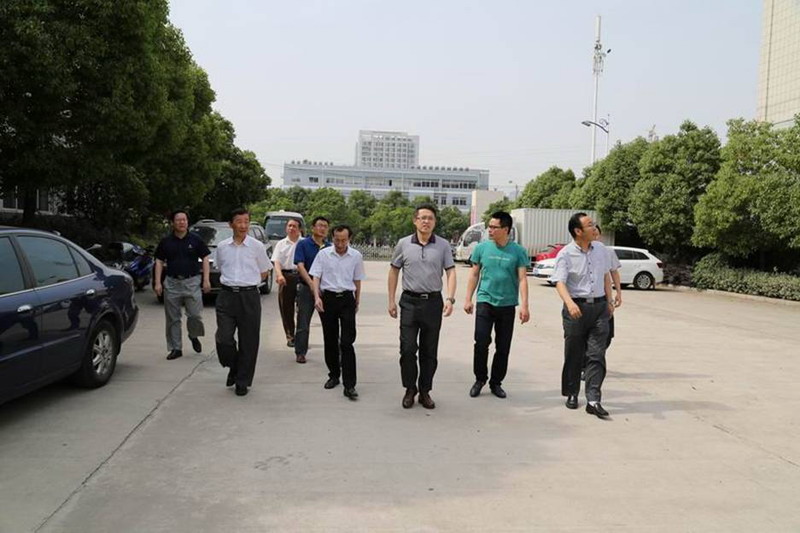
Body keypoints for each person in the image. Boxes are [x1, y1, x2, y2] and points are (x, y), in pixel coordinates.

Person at [388, 203, 457, 410]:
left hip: (433, 303)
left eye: (430, 218)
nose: (426, 221)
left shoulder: (443, 245)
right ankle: (410, 388)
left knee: (429, 351)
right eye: (422, 218)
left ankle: (425, 390)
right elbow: (394, 271)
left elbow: (451, 271)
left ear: (435, 222)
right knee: (408, 349)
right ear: (415, 220)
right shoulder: (403, 244)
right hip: (409, 302)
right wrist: (391, 300)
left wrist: (450, 298)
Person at [551, 212, 614, 418]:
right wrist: (569, 303)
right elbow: (559, 282)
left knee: (597, 354)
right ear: (578, 231)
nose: (594, 228)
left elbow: (606, 275)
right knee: (574, 353)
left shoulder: (601, 250)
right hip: (576, 309)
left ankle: (593, 399)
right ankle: (572, 392)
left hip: (599, 308)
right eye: (589, 225)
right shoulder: (566, 254)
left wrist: (610, 300)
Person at [464, 211, 530, 399]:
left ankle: (496, 382)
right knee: (481, 342)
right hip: (485, 301)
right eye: (489, 227)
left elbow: (523, 279)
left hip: (507, 304)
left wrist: (525, 305)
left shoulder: (518, 251)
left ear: (506, 229)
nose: (490, 230)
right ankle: (480, 379)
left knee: (503, 346)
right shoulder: (481, 248)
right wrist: (468, 298)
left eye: (494, 227)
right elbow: (474, 274)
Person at [213, 208, 272, 396]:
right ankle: (234, 365)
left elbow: (264, 271)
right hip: (227, 296)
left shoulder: (257, 246)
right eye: (239, 221)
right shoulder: (222, 247)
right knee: (224, 337)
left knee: (249, 341)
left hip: (249, 297)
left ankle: (242, 381)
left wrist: (248, 282)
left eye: (246, 221)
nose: (243, 225)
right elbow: (220, 266)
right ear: (231, 224)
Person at [309, 225, 365, 400]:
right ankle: (334, 374)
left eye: (343, 240)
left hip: (347, 299)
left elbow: (357, 279)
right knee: (330, 339)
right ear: (332, 238)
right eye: (337, 240)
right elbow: (316, 276)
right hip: (328, 299)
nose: (340, 244)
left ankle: (350, 384)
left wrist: (357, 299)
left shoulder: (356, 256)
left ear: (349, 239)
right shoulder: (323, 254)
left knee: (347, 342)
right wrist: (316, 296)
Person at [153, 210, 211, 360]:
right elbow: (159, 261)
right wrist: (158, 282)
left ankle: (193, 335)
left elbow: (205, 258)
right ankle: (176, 348)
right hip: (172, 283)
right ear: (173, 223)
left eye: (184, 219)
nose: (182, 222)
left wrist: (206, 279)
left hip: (192, 282)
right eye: (178, 220)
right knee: (173, 318)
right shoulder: (166, 241)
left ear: (187, 222)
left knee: (195, 315)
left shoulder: (195, 240)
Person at [293, 217, 330, 364]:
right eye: (320, 225)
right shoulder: (303, 244)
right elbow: (300, 265)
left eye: (325, 226)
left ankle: (334, 352)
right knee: (303, 322)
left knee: (330, 323)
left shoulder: (329, 247)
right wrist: (311, 284)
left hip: (325, 289)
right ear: (313, 227)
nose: (322, 229)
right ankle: (300, 352)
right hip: (306, 288)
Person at [272, 218, 303, 351]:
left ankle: (301, 337)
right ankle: (290, 336)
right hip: (286, 277)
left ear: (300, 229)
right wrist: (279, 275)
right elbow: (277, 261)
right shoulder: (281, 244)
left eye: (294, 226)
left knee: (303, 309)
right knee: (286, 308)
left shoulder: (304, 243)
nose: (291, 228)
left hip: (302, 276)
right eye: (289, 226)